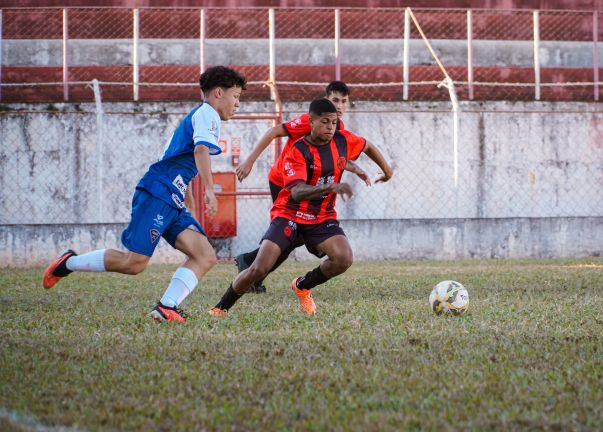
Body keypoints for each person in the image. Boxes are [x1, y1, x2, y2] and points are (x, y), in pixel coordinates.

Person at [41, 66, 247, 324]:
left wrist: (188, 199)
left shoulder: (201, 116)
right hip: (158, 193)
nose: (237, 104)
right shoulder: (208, 114)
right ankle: (67, 263)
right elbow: (200, 152)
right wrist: (210, 191)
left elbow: (180, 161)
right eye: (236, 96)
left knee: (204, 255)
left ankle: (166, 307)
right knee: (134, 263)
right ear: (219, 93)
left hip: (172, 196)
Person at [208, 98, 393, 317]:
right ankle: (220, 308)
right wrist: (332, 187)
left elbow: (367, 145)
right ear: (311, 122)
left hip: (322, 216)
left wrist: (387, 170)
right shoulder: (297, 150)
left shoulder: (343, 140)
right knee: (259, 269)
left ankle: (302, 285)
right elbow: (296, 191)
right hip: (290, 213)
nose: (330, 127)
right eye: (325, 122)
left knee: (344, 258)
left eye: (334, 122)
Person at [233, 81, 372, 293]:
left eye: (344, 101)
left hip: (304, 184)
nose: (340, 106)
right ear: (326, 100)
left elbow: (332, 158)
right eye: (335, 100)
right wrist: (250, 161)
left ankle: (250, 262)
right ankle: (252, 271)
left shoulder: (335, 127)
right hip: (284, 182)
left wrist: (354, 169)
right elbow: (273, 132)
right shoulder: (311, 122)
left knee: (294, 235)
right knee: (290, 233)